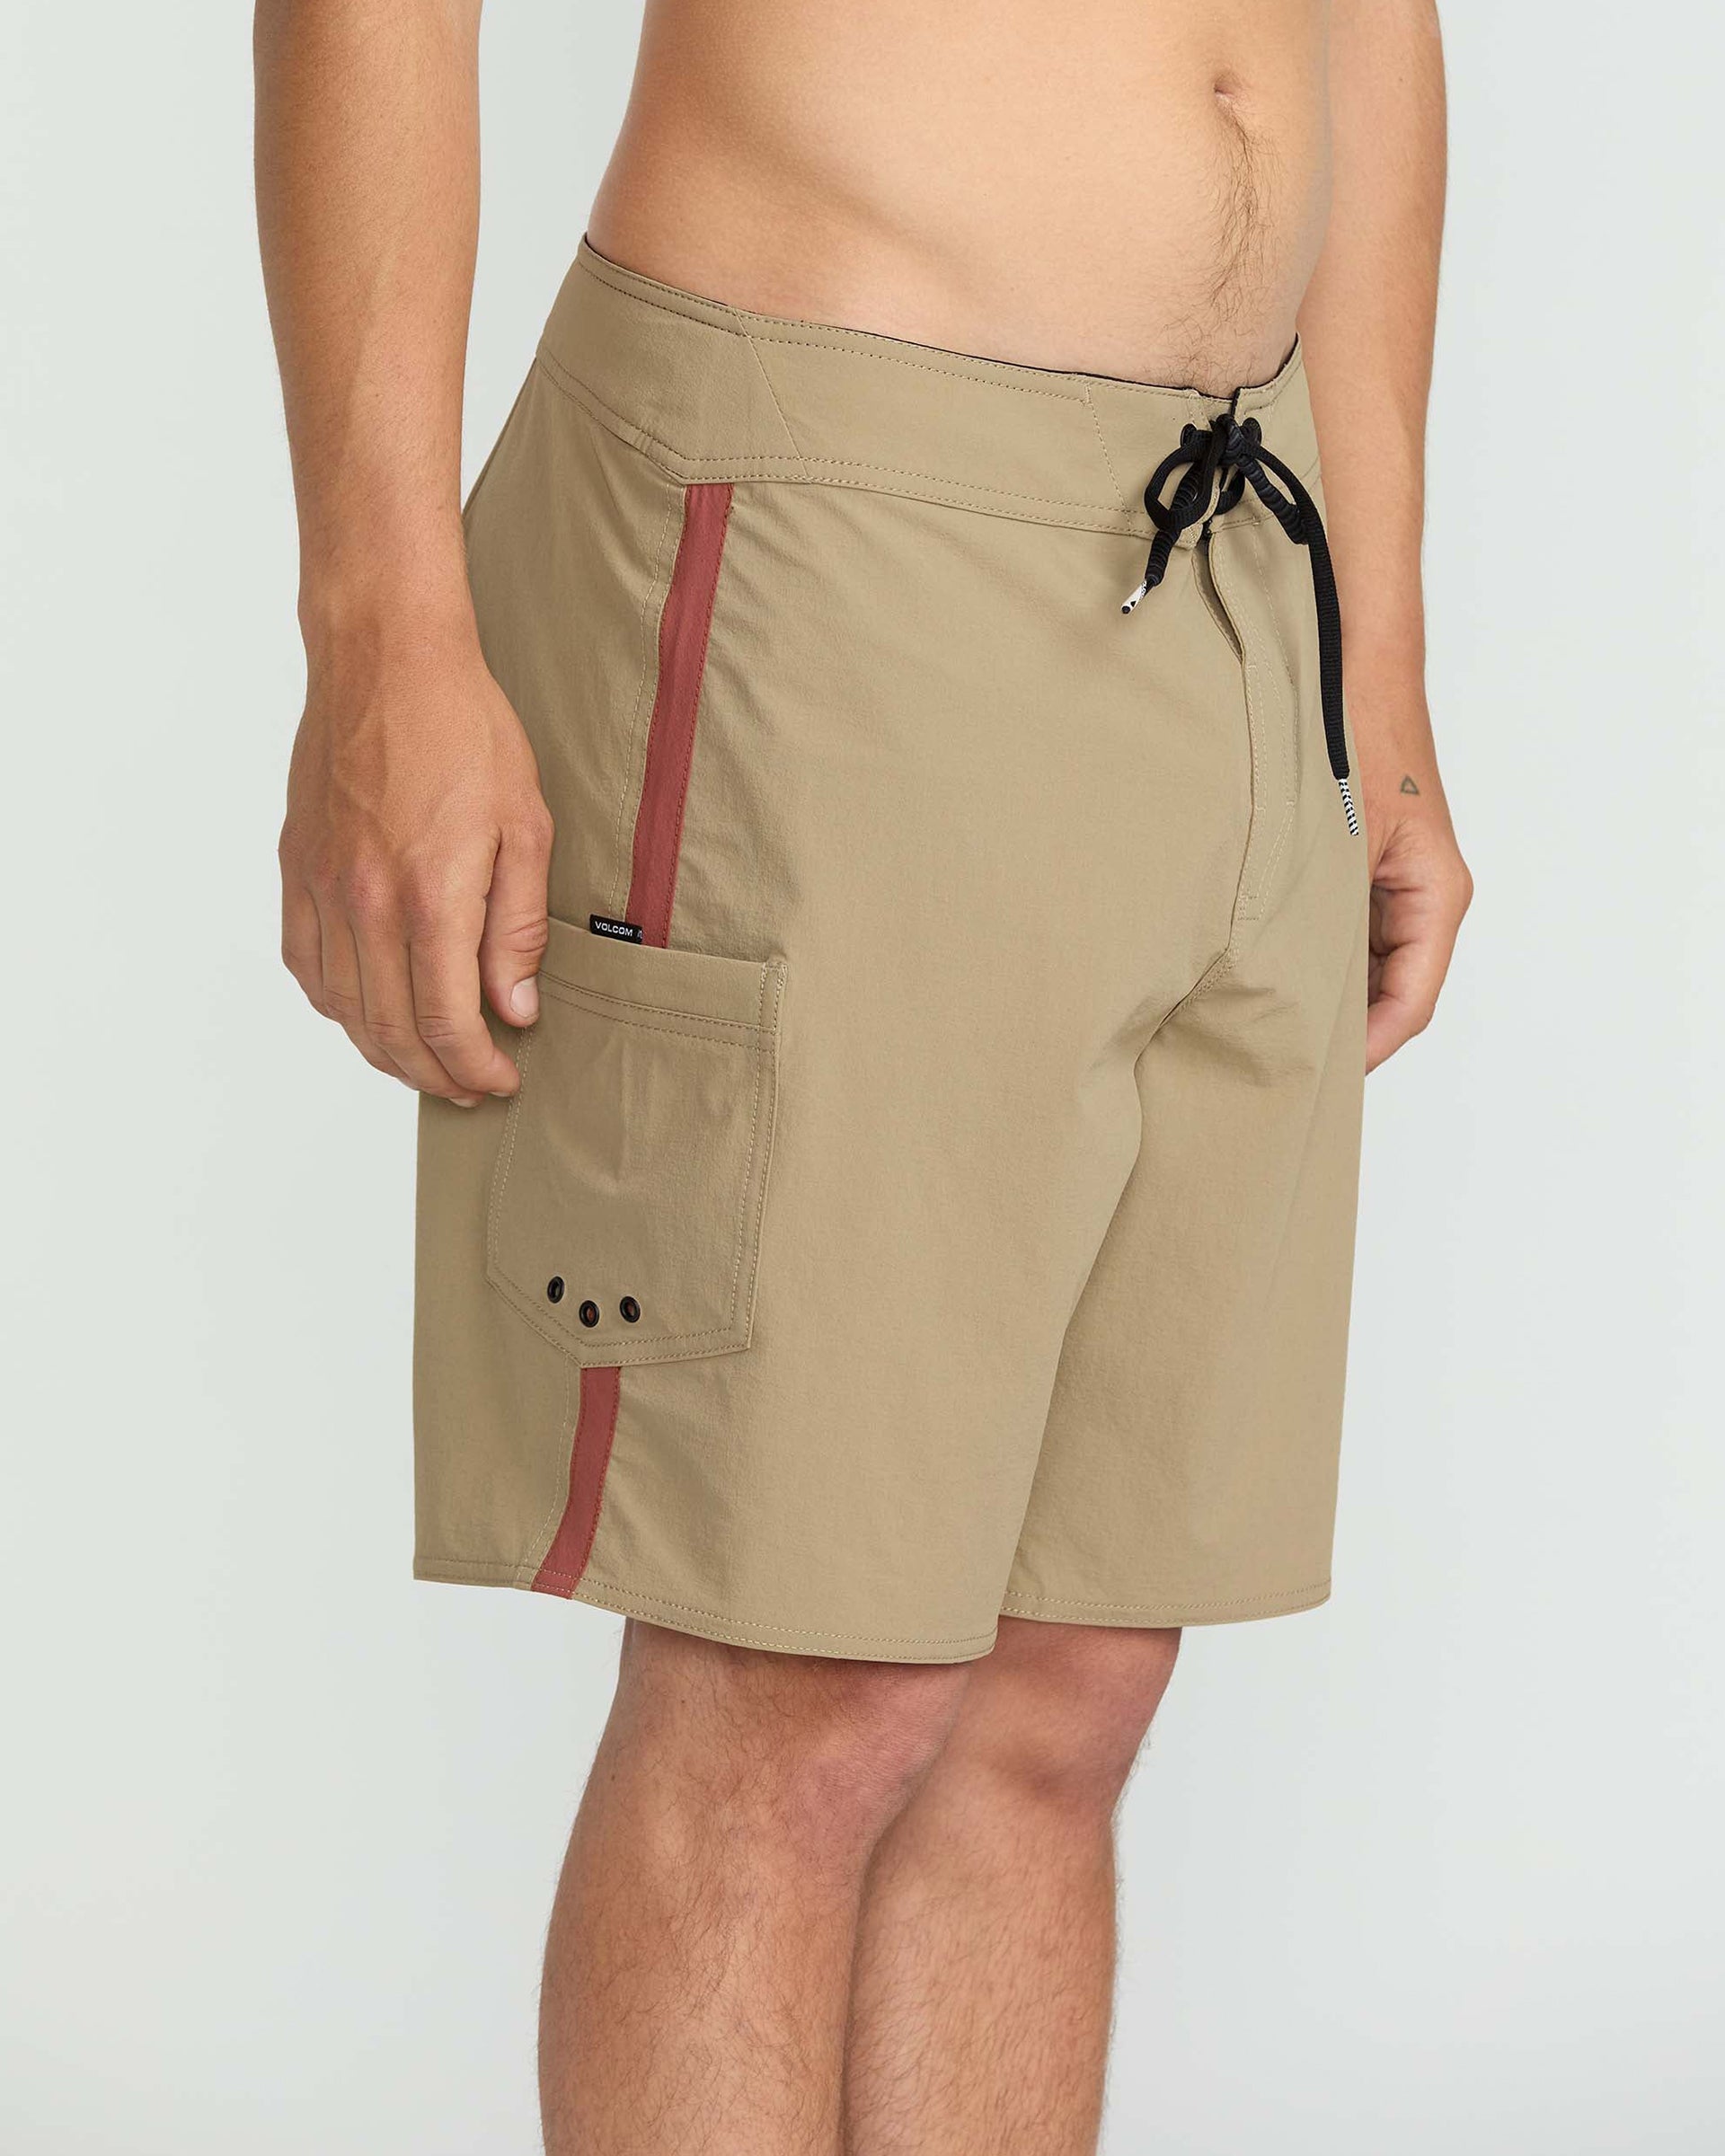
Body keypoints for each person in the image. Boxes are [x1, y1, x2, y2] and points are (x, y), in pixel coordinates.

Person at [255, 0, 1470, 2147]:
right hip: (824, 506)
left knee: (1063, 1690)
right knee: (802, 1684)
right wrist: (378, 627)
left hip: (1236, 547)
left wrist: (1379, 647)